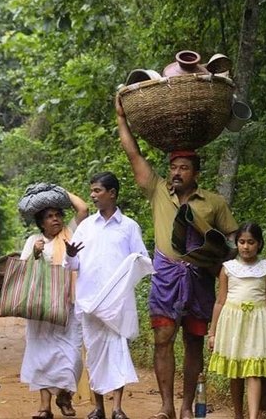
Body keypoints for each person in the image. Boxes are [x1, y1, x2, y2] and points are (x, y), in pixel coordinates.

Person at [116, 97, 239, 419]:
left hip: (199, 278)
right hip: (166, 276)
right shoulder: (157, 190)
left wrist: (221, 257)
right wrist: (121, 117)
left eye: (183, 167)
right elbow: (133, 154)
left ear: (196, 172)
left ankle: (186, 407)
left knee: (194, 342)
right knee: (162, 338)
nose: (176, 172)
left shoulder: (213, 203)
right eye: (173, 167)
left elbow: (233, 240)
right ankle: (166, 406)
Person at [65, 172, 149, 419]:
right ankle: (98, 406)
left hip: (117, 302)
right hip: (90, 300)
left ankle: (117, 408)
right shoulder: (85, 227)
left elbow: (142, 260)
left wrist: (124, 278)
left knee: (117, 350)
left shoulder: (129, 227)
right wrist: (70, 254)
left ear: (112, 193)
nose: (92, 196)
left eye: (97, 191)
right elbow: (72, 265)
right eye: (91, 191)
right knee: (94, 352)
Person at [19, 188, 89, 419]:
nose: (56, 219)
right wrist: (36, 254)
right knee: (41, 354)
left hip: (68, 305)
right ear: (41, 222)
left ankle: (65, 395)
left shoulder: (70, 234)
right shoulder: (33, 241)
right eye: (49, 216)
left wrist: (58, 191)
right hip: (41, 308)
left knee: (72, 354)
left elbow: (83, 208)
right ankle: (44, 407)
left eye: (57, 214)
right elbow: (23, 274)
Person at [208, 223, 266, 419]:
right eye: (241, 242)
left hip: (259, 323)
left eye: (251, 242)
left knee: (253, 369)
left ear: (259, 244)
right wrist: (212, 332)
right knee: (236, 369)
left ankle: (253, 416)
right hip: (232, 322)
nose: (246, 247)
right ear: (236, 243)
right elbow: (220, 301)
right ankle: (238, 414)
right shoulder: (228, 268)